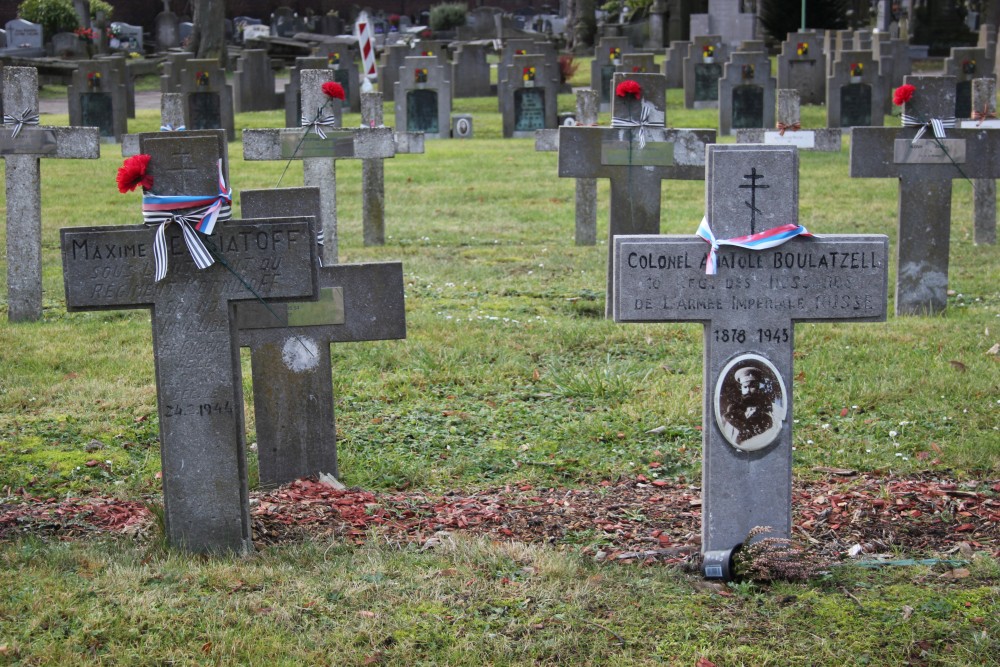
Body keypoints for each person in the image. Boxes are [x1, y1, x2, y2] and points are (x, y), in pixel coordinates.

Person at [722, 366, 774, 445]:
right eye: (745, 387)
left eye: (752, 386)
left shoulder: (764, 411)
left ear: (757, 387)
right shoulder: (732, 410)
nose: (748, 390)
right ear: (741, 388)